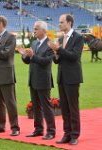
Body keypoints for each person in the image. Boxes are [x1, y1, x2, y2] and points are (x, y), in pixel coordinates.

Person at [48, 14, 84, 145]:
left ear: (69, 23)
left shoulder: (78, 37)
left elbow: (75, 56)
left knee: (73, 108)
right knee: (64, 107)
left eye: (62, 22)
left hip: (73, 78)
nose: (59, 24)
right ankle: (67, 133)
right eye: (59, 22)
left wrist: (59, 49)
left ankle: (75, 135)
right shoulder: (60, 38)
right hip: (61, 77)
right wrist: (54, 52)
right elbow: (57, 61)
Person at [18, 21, 56, 140]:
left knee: (46, 106)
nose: (34, 30)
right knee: (36, 106)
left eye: (36, 29)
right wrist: (24, 55)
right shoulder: (34, 43)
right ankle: (38, 129)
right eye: (34, 28)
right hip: (33, 79)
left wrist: (32, 56)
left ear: (44, 30)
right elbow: (29, 61)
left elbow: (46, 62)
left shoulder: (50, 44)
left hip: (43, 80)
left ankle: (51, 131)